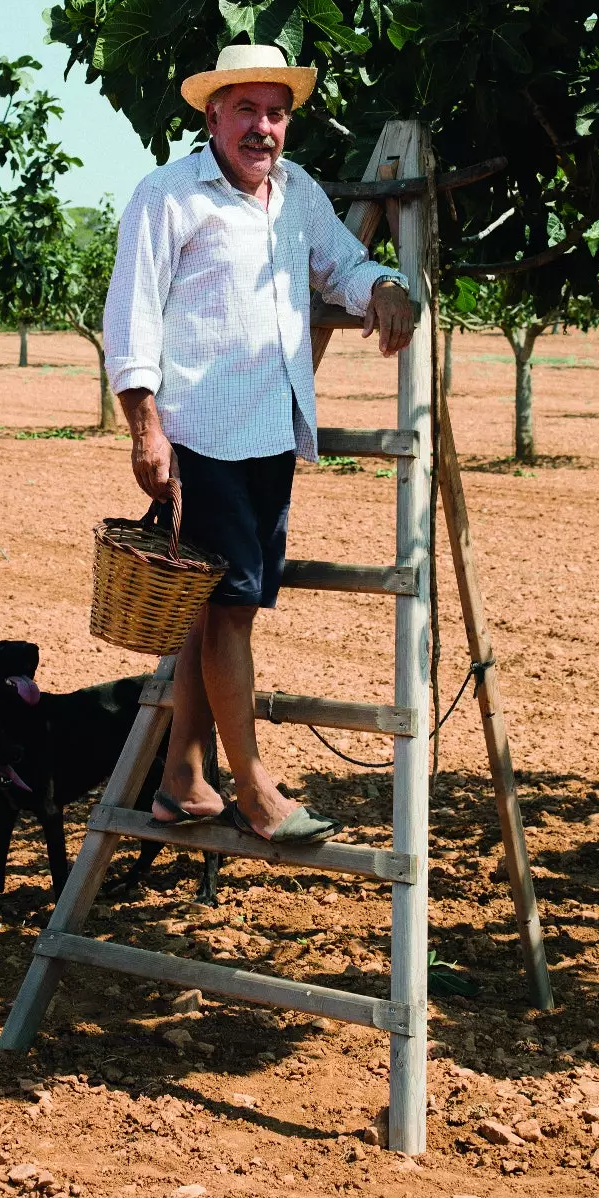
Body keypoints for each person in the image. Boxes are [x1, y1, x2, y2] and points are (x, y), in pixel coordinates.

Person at [103, 42, 415, 843]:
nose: (263, 127)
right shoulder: (169, 196)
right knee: (233, 615)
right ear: (212, 116)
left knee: (217, 614)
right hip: (201, 434)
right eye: (246, 110)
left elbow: (340, 264)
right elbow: (132, 318)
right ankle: (256, 791)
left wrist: (382, 286)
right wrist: (146, 429)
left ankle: (179, 777)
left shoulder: (294, 193)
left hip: (269, 435)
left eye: (275, 113)